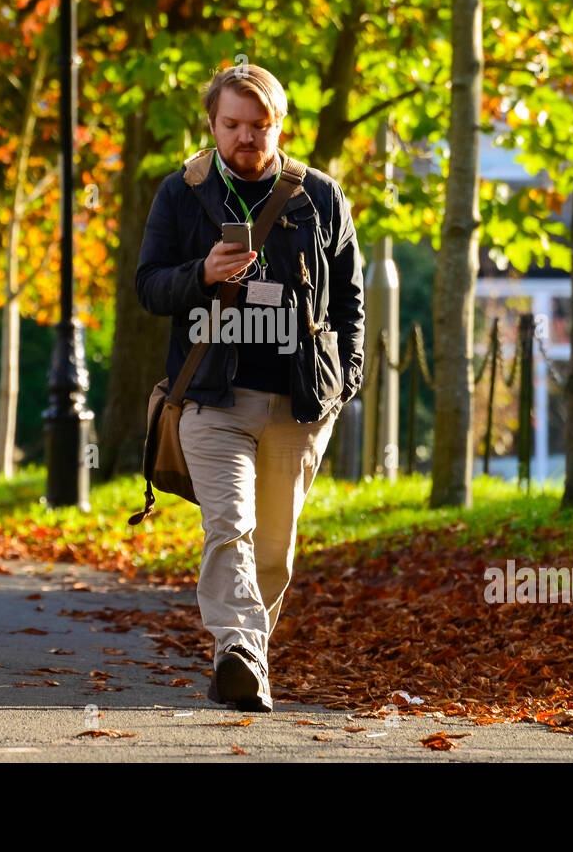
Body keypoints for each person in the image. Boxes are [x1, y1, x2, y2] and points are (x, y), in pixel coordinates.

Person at [134, 63, 365, 712]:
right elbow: (148, 285)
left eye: (259, 126)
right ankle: (239, 650)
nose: (246, 138)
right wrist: (200, 273)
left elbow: (350, 301)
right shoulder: (180, 193)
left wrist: (344, 382)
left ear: (279, 126)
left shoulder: (318, 195)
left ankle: (245, 655)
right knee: (228, 527)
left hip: (297, 402)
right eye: (232, 124)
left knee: (273, 548)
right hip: (211, 398)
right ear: (211, 123)